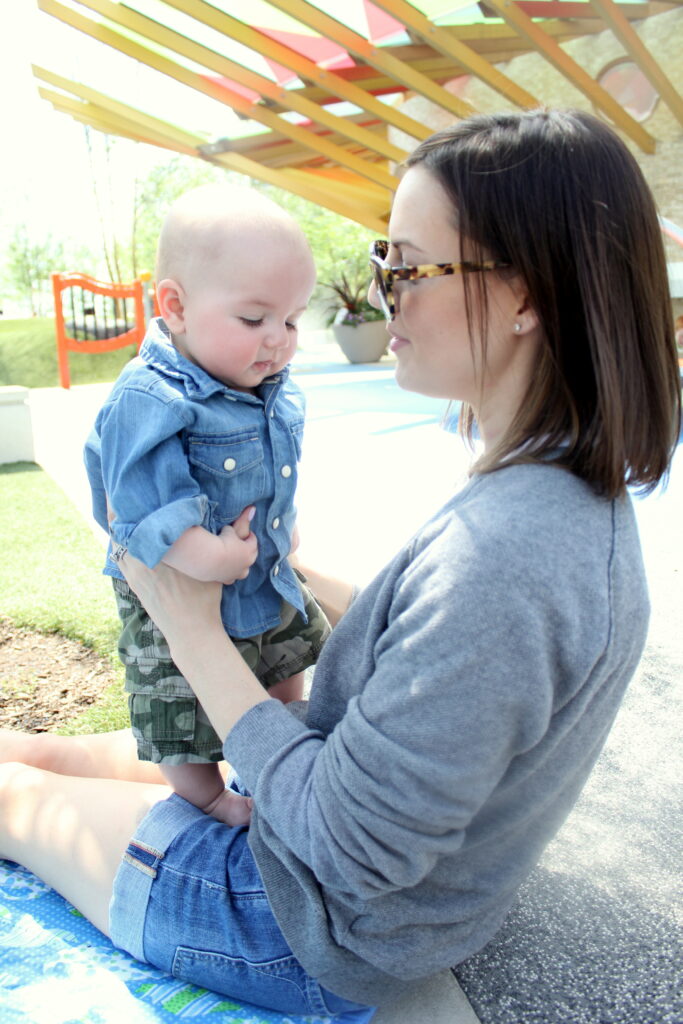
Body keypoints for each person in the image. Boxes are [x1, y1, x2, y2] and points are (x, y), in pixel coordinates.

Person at [1, 109, 680, 1019]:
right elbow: (444, 662)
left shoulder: (515, 552)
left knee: (13, 795)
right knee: (37, 753)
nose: (381, 295)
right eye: (380, 262)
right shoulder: (549, 500)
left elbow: (341, 845)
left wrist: (189, 626)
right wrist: (279, 569)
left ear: (524, 295)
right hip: (335, 865)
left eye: (407, 265)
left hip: (299, 922)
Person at [82, 184, 330, 826]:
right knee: (179, 709)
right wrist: (205, 553)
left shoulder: (263, 381)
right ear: (176, 306)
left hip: (261, 577)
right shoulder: (152, 398)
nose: (278, 339)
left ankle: (275, 746)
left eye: (293, 319)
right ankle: (207, 796)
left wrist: (285, 521)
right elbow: (135, 509)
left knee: (284, 664)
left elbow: (273, 464)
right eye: (255, 319)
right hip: (183, 594)